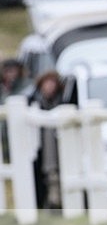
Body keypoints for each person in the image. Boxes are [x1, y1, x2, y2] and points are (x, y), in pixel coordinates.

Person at [27, 70, 65, 209]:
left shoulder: (63, 101)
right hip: (39, 148)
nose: (49, 86)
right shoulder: (33, 102)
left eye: (52, 82)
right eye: (46, 83)